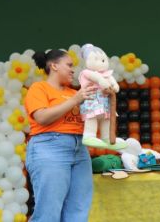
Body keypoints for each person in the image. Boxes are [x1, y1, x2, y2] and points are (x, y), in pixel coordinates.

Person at [24, 49, 96, 222]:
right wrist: (74, 101)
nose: (73, 70)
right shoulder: (39, 88)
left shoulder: (74, 93)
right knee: (48, 212)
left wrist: (106, 98)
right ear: (54, 66)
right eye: (69, 65)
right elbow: (41, 117)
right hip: (49, 146)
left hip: (79, 148)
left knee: (79, 210)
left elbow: (94, 120)